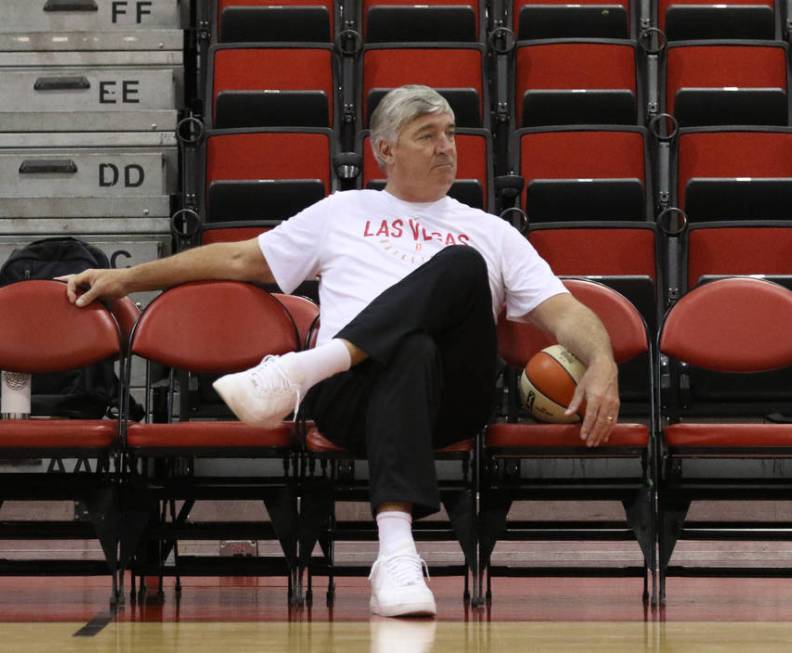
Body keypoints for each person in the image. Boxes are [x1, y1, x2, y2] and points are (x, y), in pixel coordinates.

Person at [62, 84, 619, 619]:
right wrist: (129, 278)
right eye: (427, 135)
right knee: (411, 348)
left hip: (454, 399)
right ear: (385, 151)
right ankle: (397, 558)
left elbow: (562, 311)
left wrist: (602, 363)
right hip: (355, 400)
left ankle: (303, 370)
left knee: (462, 264)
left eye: (450, 133)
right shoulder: (342, 212)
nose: (446, 146)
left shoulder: (488, 231)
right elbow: (235, 260)